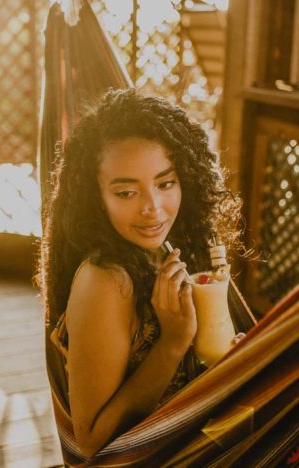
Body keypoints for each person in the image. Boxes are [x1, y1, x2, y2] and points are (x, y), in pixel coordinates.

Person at [38, 88, 242, 458]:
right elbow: (92, 441)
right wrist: (173, 341)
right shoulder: (105, 281)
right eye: (126, 193)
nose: (154, 208)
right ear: (95, 197)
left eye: (165, 184)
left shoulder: (170, 250)